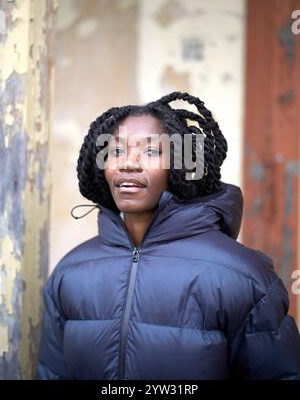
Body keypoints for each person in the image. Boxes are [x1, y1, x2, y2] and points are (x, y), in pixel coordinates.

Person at [37, 91, 300, 380]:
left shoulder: (243, 276)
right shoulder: (70, 272)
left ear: (182, 163)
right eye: (116, 151)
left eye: (151, 151)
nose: (128, 163)